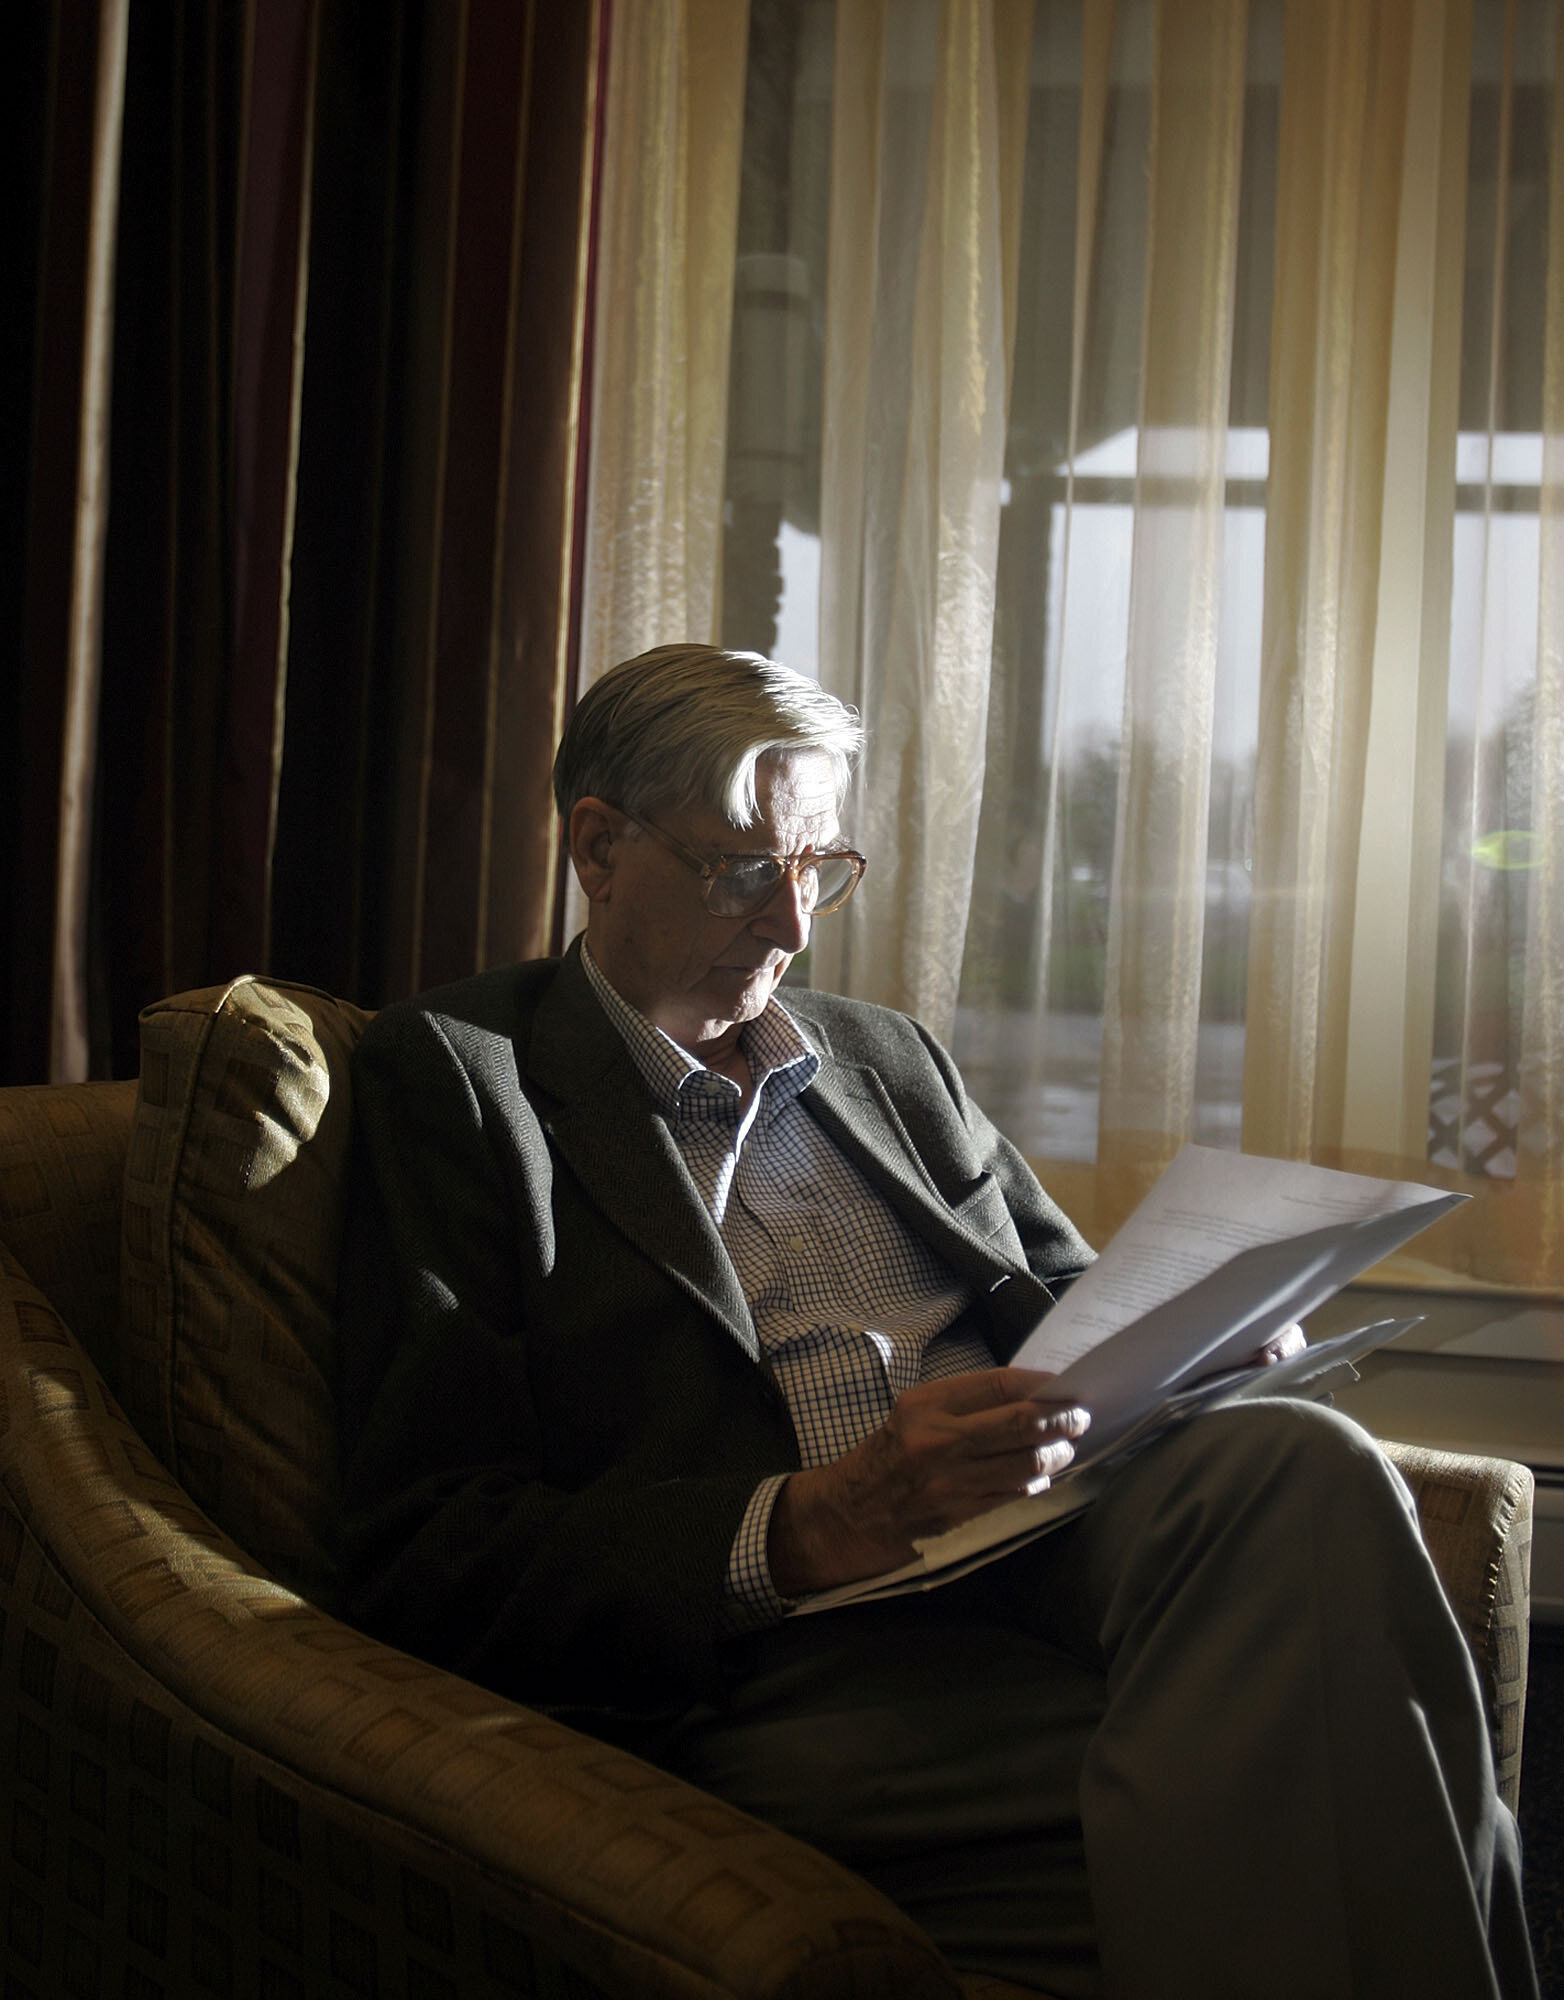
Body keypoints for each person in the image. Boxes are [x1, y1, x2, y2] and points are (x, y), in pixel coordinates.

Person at [337, 643, 1536, 1998]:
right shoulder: (459, 1080)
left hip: (1052, 1543)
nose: (790, 927)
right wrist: (824, 1515)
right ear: (599, 849)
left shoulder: (887, 1058)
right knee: (1366, 1781)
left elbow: (1068, 1298)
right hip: (801, 1648)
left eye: (820, 870)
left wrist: (1199, 1341)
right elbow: (426, 1544)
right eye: (744, 868)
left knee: (1303, 1465)